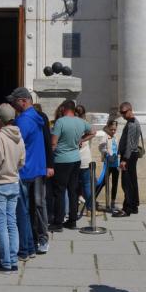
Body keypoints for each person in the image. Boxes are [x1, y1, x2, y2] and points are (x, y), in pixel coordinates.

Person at [9, 87, 51, 258]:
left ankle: (27, 247)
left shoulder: (24, 120)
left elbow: (16, 145)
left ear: (24, 101)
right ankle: (37, 240)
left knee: (23, 210)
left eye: (15, 101)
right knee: (37, 207)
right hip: (38, 168)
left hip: (25, 171)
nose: (13, 104)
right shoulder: (37, 117)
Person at [0, 103, 25, 271]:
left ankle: (5, 262)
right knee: (12, 222)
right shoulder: (19, 135)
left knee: (1, 225)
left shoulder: (0, 137)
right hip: (14, 181)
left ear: (0, 119)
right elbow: (22, 161)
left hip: (0, 183)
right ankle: (13, 259)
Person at [50, 99, 94, 231]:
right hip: (76, 159)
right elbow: (93, 132)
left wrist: (49, 158)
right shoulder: (81, 121)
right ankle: (72, 221)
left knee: (59, 191)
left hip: (61, 160)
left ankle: (58, 222)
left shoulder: (60, 122)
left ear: (63, 108)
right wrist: (81, 140)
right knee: (73, 191)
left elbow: (53, 143)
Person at [112, 101, 143, 217]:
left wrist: (124, 159)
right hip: (132, 155)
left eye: (124, 112)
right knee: (132, 181)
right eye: (121, 113)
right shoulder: (134, 121)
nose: (123, 115)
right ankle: (134, 205)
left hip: (128, 156)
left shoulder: (131, 124)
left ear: (130, 110)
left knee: (126, 183)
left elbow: (130, 144)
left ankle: (127, 209)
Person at [96, 120, 120, 211]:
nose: (113, 131)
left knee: (115, 183)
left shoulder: (116, 137)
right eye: (111, 129)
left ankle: (113, 202)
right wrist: (106, 152)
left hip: (116, 163)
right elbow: (101, 147)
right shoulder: (105, 137)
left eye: (114, 129)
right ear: (108, 128)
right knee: (103, 182)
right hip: (108, 163)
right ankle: (93, 200)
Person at [75, 104, 93, 213]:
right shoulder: (85, 124)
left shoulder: (73, 123)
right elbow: (93, 133)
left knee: (75, 184)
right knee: (86, 183)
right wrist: (82, 140)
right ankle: (90, 208)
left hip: (74, 157)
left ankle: (74, 207)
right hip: (85, 157)